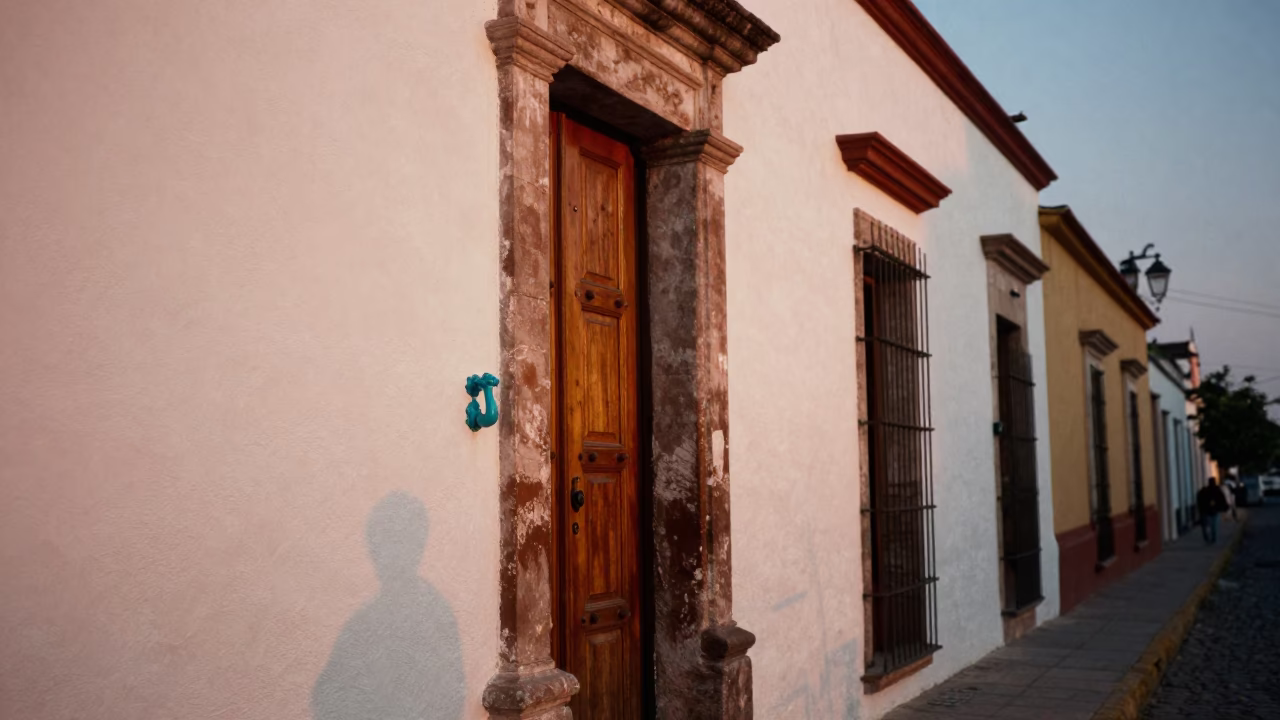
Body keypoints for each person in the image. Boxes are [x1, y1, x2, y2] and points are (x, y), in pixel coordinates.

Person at [1197, 477, 1229, 544]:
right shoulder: (1217, 490)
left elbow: (1201, 500)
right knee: (1213, 526)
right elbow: (1222, 499)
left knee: (1208, 525)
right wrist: (1225, 507)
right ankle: (1213, 538)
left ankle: (1210, 538)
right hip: (1214, 510)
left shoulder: (1205, 491)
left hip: (1208, 511)